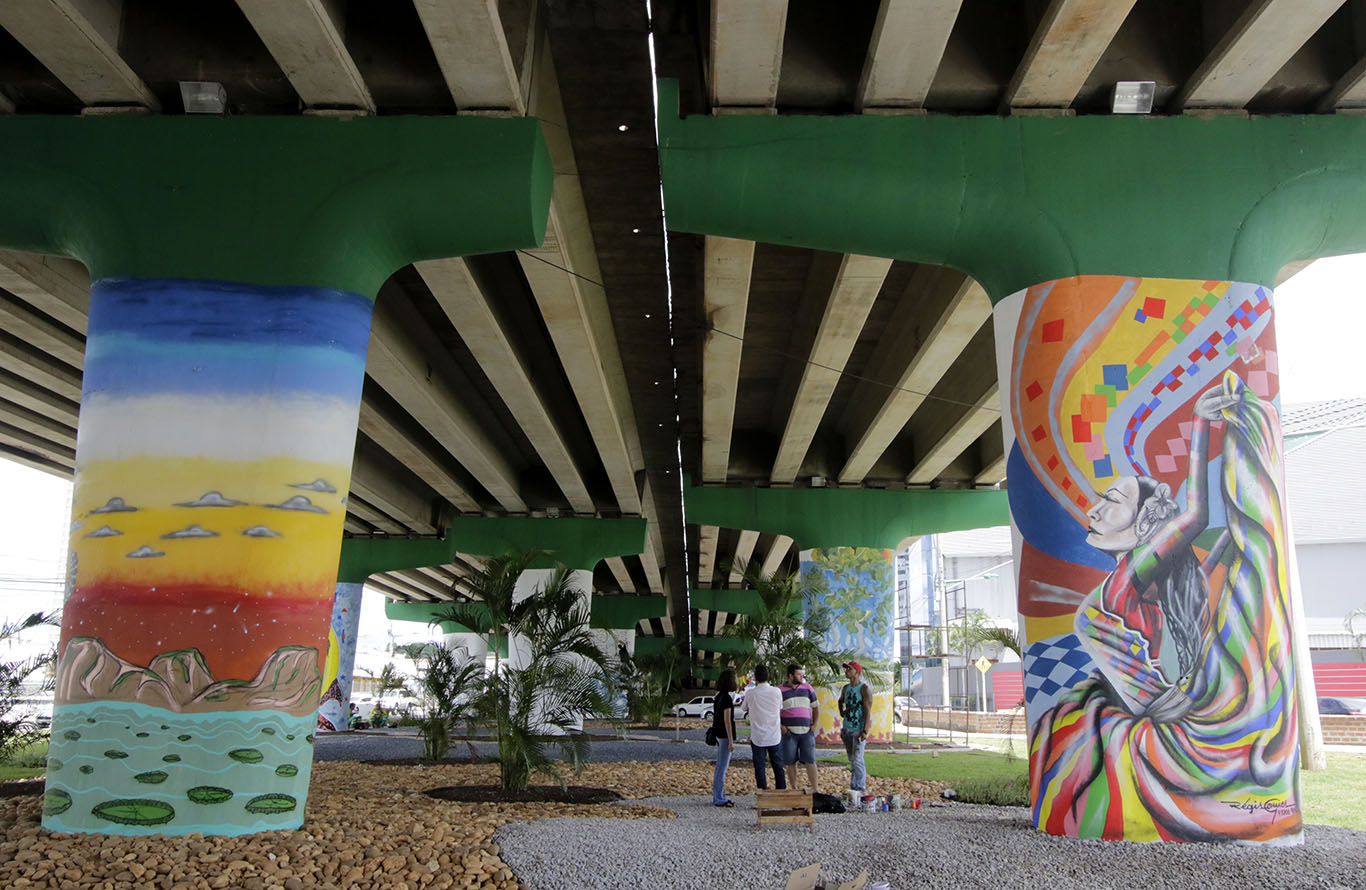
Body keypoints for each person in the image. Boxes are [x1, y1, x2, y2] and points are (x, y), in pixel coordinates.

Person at [1031, 374, 1301, 842]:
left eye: (1111, 500)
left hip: (1164, 723)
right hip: (1154, 723)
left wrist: (1201, 423)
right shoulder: (1134, 589)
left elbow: (1196, 517)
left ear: (1146, 526)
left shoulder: (1133, 586)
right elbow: (1208, 548)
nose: (1093, 510)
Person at [779, 663, 820, 792]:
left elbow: (815, 707)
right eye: (799, 674)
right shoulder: (780, 690)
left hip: (807, 732)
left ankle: (815, 788)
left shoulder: (808, 688)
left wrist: (814, 724)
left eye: (802, 674)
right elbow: (774, 711)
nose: (802, 676)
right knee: (790, 762)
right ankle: (794, 788)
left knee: (810, 760)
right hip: (789, 733)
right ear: (790, 675)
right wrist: (781, 726)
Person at [745, 663, 786, 790]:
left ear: (755, 677)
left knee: (759, 766)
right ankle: (781, 790)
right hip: (774, 735)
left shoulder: (751, 693)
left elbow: (744, 707)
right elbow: (780, 707)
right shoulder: (777, 691)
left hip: (758, 736)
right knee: (778, 765)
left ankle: (762, 792)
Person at [838, 661, 871, 792]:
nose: (846, 671)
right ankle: (854, 787)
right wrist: (841, 711)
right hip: (847, 728)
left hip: (858, 729)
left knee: (858, 759)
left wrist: (865, 730)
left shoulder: (864, 689)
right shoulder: (846, 688)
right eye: (846, 669)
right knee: (852, 759)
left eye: (849, 669)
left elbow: (868, 711)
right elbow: (840, 700)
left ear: (857, 672)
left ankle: (860, 787)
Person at [710, 669, 738, 807]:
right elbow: (728, 721)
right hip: (725, 735)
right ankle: (719, 798)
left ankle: (719, 795)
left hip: (718, 734)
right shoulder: (726, 698)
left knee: (720, 766)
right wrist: (731, 741)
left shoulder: (718, 696)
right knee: (722, 767)